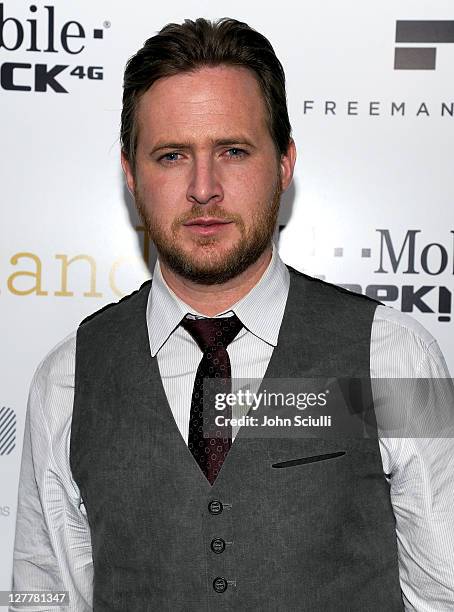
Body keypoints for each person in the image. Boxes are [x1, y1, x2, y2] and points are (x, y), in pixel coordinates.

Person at [11, 17, 454, 612]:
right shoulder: (67, 380)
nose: (203, 187)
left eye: (233, 151)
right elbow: (45, 597)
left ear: (284, 163)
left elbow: (443, 591)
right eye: (171, 155)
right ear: (129, 173)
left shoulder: (393, 357)